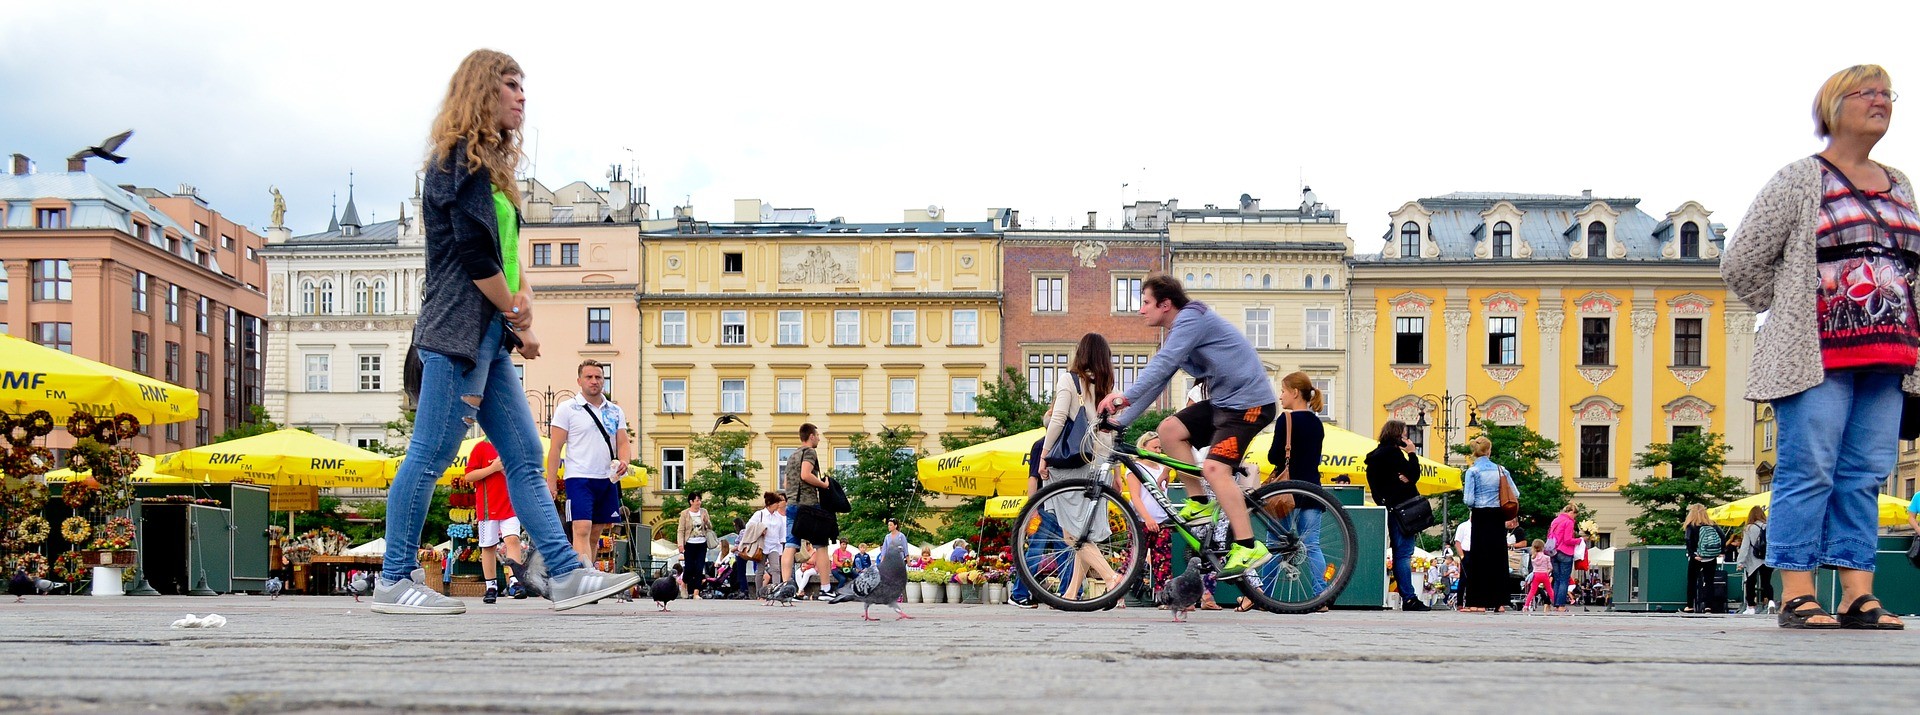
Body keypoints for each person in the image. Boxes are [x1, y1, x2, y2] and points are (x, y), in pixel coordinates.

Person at [376, 49, 637, 614]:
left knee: (524, 456)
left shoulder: (490, 170)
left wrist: (523, 312)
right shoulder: (455, 163)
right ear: (482, 92)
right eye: (512, 85)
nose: (523, 96)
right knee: (430, 453)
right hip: (457, 335)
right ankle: (394, 578)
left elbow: (506, 258)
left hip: (489, 338)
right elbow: (472, 256)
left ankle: (565, 575)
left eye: (524, 86)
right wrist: (517, 315)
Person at [1721, 64, 1909, 631]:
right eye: (1867, 92)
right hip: (1817, 353)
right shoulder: (1803, 179)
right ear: (1833, 106)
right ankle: (1797, 590)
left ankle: (1857, 591)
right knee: (1810, 468)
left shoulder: (1898, 181)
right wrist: (1791, 311)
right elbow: (1742, 257)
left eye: (1887, 93)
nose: (1881, 100)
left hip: (1889, 351)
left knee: (1866, 473)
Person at [1097, 275, 1279, 577]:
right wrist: (1119, 422)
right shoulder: (1179, 330)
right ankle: (1199, 502)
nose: (1141, 310)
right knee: (1169, 431)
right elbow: (1160, 380)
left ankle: (1248, 546)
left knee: (1214, 468)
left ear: (1165, 304)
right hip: (1225, 403)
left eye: (1145, 302)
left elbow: (1162, 364)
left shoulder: (1192, 318)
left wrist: (1122, 398)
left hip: (1250, 404)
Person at [1040, 333, 1127, 599]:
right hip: (1099, 463)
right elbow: (1111, 433)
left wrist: (1044, 454)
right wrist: (1116, 473)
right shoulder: (1110, 389)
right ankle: (1071, 593)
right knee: (1084, 531)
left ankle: (1112, 578)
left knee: (1071, 534)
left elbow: (1056, 420)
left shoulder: (1069, 379)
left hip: (1072, 463)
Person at [546, 360, 631, 564]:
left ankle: (590, 576)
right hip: (578, 477)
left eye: (598, 377)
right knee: (581, 527)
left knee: (595, 533)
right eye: (589, 377)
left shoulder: (614, 410)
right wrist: (551, 482)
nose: (594, 381)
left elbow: (622, 441)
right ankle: (582, 577)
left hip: (606, 478)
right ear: (579, 380)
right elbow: (555, 447)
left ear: (604, 380)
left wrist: (625, 461)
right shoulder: (567, 408)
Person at [1268, 372, 1328, 599]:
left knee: (1274, 545)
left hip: (1286, 491)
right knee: (1312, 545)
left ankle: (1266, 595)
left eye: (1283, 391)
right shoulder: (1317, 422)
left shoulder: (1286, 419)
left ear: (1294, 393)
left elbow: (1275, 456)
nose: (1281, 396)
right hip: (1312, 490)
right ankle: (1320, 596)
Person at [1365, 419, 1429, 611]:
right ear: (1396, 435)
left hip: (1390, 508)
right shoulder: (1394, 454)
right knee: (1403, 554)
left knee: (1399, 552)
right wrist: (1412, 454)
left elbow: (1375, 488)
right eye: (1403, 434)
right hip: (1404, 510)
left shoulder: (1374, 457)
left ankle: (1408, 596)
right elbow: (1414, 474)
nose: (1406, 438)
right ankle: (1409, 598)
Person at [463, 439, 525, 603]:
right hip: (487, 506)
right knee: (488, 546)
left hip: (510, 504)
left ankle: (514, 581)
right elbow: (469, 475)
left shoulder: (512, 445)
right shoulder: (481, 448)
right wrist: (492, 469)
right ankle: (491, 586)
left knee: (512, 539)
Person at [780, 423, 835, 600]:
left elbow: (786, 485)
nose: (818, 438)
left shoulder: (791, 456)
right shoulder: (809, 452)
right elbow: (805, 475)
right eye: (817, 435)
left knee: (790, 545)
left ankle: (786, 588)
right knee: (821, 546)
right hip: (809, 506)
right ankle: (826, 589)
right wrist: (823, 484)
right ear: (811, 436)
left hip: (792, 505)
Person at [1459, 436, 1514, 613]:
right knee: (1498, 558)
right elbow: (1515, 493)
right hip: (1498, 516)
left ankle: (1478, 602)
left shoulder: (1473, 471)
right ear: (1489, 451)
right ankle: (1499, 602)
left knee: (1479, 558)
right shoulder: (1501, 470)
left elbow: (1468, 499)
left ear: (1474, 452)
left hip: (1481, 516)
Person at [1128, 431, 1176, 603]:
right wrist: (1147, 518)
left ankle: (1164, 597)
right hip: (1142, 520)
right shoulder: (1136, 468)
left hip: (1161, 519)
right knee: (1133, 558)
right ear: (1144, 447)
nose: (1158, 451)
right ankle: (1119, 593)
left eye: (1159, 448)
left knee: (1163, 561)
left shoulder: (1163, 468)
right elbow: (1135, 496)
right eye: (1154, 447)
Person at [1682, 504, 1723, 614]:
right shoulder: (1712, 525)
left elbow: (1688, 541)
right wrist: (1720, 551)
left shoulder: (1691, 526)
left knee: (1692, 581)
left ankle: (1690, 606)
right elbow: (1722, 537)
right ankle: (1708, 606)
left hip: (1697, 557)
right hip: (1710, 557)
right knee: (1709, 582)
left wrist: (1693, 555)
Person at [746, 492, 788, 597]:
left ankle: (776, 592)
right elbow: (749, 526)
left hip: (774, 545)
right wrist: (760, 529)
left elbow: (782, 533)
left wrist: (782, 546)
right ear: (769, 504)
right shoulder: (760, 514)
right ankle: (759, 594)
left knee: (776, 569)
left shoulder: (778, 517)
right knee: (760, 571)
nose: (778, 505)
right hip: (762, 545)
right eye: (776, 503)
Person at [677, 492, 715, 599]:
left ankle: (696, 593)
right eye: (697, 500)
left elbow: (710, 527)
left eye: (700, 500)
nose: (699, 502)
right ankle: (684, 583)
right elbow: (681, 530)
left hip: (701, 543)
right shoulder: (685, 513)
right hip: (689, 544)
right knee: (689, 568)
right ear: (691, 502)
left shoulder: (704, 512)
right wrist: (680, 544)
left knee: (699, 568)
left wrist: (706, 521)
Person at [1739, 505, 1775, 615]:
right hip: (1767, 558)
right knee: (1766, 582)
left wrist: (1740, 561)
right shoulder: (1769, 526)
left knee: (1750, 582)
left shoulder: (1749, 528)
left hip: (1753, 559)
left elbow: (1745, 546)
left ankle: (1751, 607)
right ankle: (1771, 602)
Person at [1547, 503, 1579, 612]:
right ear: (1571, 512)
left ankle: (1556, 604)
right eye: (1575, 514)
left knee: (1557, 579)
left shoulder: (1555, 521)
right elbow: (1567, 540)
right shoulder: (1569, 522)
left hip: (1553, 552)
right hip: (1565, 552)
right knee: (1564, 580)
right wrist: (1580, 540)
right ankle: (1561, 605)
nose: (1575, 517)